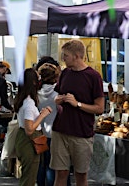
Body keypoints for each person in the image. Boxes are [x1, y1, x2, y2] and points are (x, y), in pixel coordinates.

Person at [52, 39, 104, 186]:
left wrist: (77, 104)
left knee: (81, 175)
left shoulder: (93, 76)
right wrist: (58, 99)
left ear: (76, 56)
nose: (63, 58)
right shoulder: (65, 73)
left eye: (65, 55)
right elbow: (57, 95)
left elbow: (99, 108)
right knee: (60, 173)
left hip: (81, 133)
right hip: (60, 130)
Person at [14, 68, 52, 186]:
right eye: (38, 78)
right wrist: (42, 115)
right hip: (29, 141)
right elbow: (29, 130)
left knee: (27, 176)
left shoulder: (23, 99)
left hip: (23, 139)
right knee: (29, 178)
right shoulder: (29, 103)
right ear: (34, 82)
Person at [36, 62, 62, 186]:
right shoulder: (58, 95)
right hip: (55, 133)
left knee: (41, 165)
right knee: (52, 166)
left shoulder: (36, 94)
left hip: (39, 133)